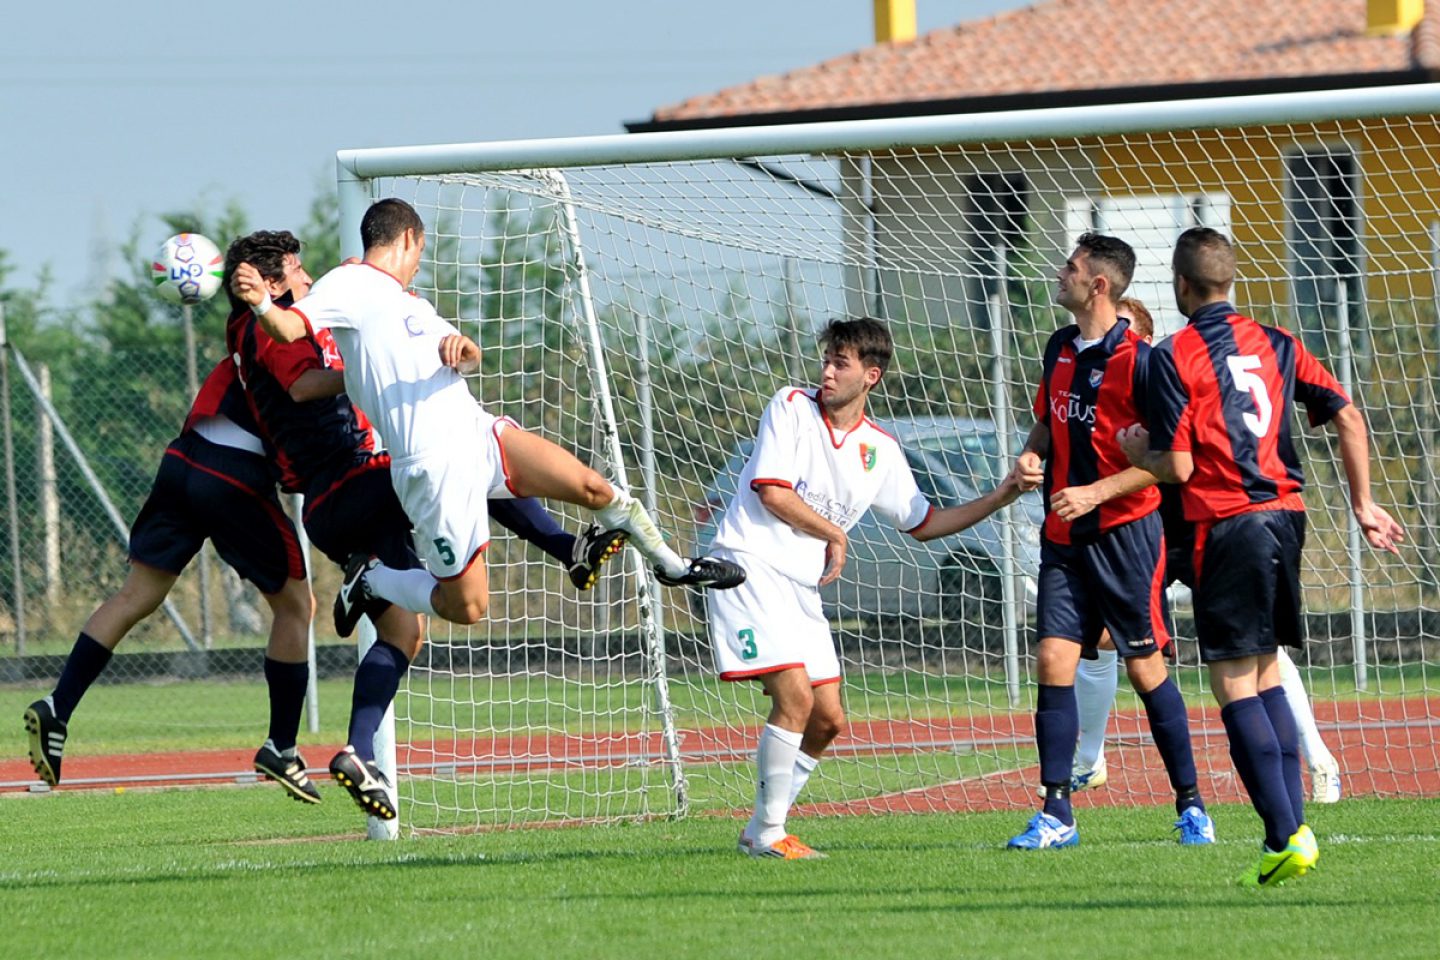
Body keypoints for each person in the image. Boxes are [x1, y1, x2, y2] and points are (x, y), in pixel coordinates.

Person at [223, 230, 629, 820]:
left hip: (344, 500)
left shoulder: (290, 317)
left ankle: (358, 753)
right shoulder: (274, 322)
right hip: (346, 485)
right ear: (280, 275)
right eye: (301, 271)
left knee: (404, 636)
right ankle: (566, 548)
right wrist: (377, 366)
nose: (311, 280)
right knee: (460, 453)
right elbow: (301, 383)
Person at [228, 199, 743, 637]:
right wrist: (260, 304)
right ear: (409, 238)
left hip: (479, 433)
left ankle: (676, 568)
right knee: (467, 608)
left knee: (594, 488)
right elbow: (289, 330)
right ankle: (372, 580)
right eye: (420, 253)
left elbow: (463, 358)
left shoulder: (410, 302)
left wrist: (465, 350)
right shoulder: (349, 283)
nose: (418, 265)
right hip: (432, 468)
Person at [1119, 226, 1404, 886]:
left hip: (1227, 525)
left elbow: (1181, 466)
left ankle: (1283, 837)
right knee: (1268, 669)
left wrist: (1139, 455)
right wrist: (1363, 503)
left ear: (1182, 286)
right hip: (1288, 518)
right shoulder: (1277, 342)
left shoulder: (1174, 354)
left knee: (1232, 681)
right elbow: (1349, 417)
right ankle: (1293, 830)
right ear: (1231, 281)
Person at [707, 317, 1026, 859]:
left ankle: (762, 825)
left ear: (871, 376)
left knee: (828, 720)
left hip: (800, 588)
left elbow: (924, 523)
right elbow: (771, 493)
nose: (827, 372)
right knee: (796, 698)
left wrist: (1002, 495)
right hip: (748, 563)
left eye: (841, 363)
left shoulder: (879, 447)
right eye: (827, 359)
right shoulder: (791, 406)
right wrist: (833, 532)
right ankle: (767, 836)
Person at [1068, 297, 1345, 805]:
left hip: (1205, 527)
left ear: (1143, 338)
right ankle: (1088, 761)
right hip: (1150, 531)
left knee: (1259, 648)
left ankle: (1318, 758)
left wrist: (1144, 452)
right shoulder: (1103, 379)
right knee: (1105, 637)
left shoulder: (1165, 370)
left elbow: (1182, 456)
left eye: (1124, 331)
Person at [22, 334, 320, 804]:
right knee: (296, 605)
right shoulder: (285, 332)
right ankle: (281, 745)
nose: (306, 277)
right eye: (297, 268)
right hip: (232, 472)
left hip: (182, 458)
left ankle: (58, 706)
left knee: (136, 595)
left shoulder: (257, 327)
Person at [1008, 233, 1214, 852]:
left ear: (1098, 283)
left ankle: (1191, 804)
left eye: (1070, 266)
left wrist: (1096, 493)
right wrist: (1030, 454)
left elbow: (1171, 463)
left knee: (1146, 669)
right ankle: (1056, 812)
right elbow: (1049, 419)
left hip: (1126, 537)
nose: (1060, 272)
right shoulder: (1058, 347)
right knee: (1053, 660)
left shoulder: (1142, 361)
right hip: (1063, 537)